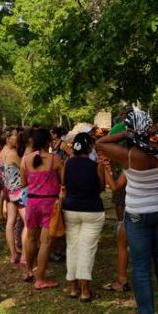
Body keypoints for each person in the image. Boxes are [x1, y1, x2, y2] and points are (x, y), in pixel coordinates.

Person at [96, 109, 158, 314]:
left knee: (141, 269)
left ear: (130, 128)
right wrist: (153, 129)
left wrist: (126, 134)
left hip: (137, 215)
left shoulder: (130, 155)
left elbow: (101, 143)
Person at [62, 132, 106, 302]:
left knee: (72, 246)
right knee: (87, 248)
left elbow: (64, 183)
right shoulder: (96, 165)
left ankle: (73, 287)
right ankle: (85, 290)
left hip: (71, 209)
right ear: (89, 147)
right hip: (92, 210)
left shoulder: (67, 163)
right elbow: (102, 187)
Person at [20, 127, 64, 289]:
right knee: (45, 242)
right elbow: (63, 181)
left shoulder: (25, 160)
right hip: (49, 204)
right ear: (48, 142)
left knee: (31, 238)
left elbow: (23, 183)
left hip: (32, 203)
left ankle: (28, 271)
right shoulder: (55, 159)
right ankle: (40, 279)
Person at [102, 106, 133, 293]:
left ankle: (122, 279)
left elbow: (103, 145)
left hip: (124, 181)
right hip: (155, 208)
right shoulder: (156, 156)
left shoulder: (130, 163)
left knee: (123, 231)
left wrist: (106, 168)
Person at [1, 127, 27, 264]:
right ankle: (24, 257)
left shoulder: (2, 152)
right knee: (28, 223)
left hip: (9, 192)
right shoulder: (13, 154)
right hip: (18, 192)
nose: (17, 138)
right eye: (15, 136)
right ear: (8, 138)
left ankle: (13, 255)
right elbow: (24, 168)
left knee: (10, 223)